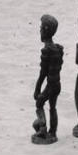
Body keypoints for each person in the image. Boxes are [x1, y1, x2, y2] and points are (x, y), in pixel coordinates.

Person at [32, 14, 63, 145]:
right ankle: (53, 131)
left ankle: (43, 128)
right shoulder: (58, 49)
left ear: (45, 30)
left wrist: (37, 87)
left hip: (51, 84)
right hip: (57, 83)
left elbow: (43, 72)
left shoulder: (47, 51)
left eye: (40, 28)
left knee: (39, 103)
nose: (39, 31)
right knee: (52, 107)